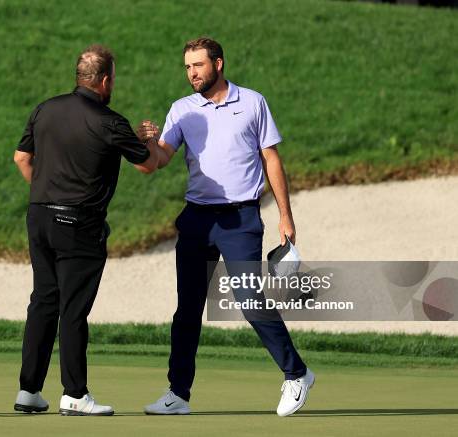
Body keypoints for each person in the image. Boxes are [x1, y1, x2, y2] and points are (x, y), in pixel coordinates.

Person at [138, 37, 315, 417]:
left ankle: (297, 373)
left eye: (198, 65)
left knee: (250, 302)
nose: (192, 73)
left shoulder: (253, 102)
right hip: (197, 219)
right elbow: (162, 159)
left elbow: (272, 159)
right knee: (187, 311)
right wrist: (151, 143)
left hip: (240, 220)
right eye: (187, 67)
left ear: (218, 63)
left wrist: (286, 215)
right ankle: (177, 394)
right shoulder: (182, 110)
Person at [12, 44, 159, 416]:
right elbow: (148, 165)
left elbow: (21, 158)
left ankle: (29, 391)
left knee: (44, 301)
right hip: (79, 225)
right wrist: (148, 139)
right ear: (106, 80)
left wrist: (45, 194)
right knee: (73, 311)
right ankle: (75, 394)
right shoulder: (110, 122)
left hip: (39, 216)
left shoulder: (45, 109)